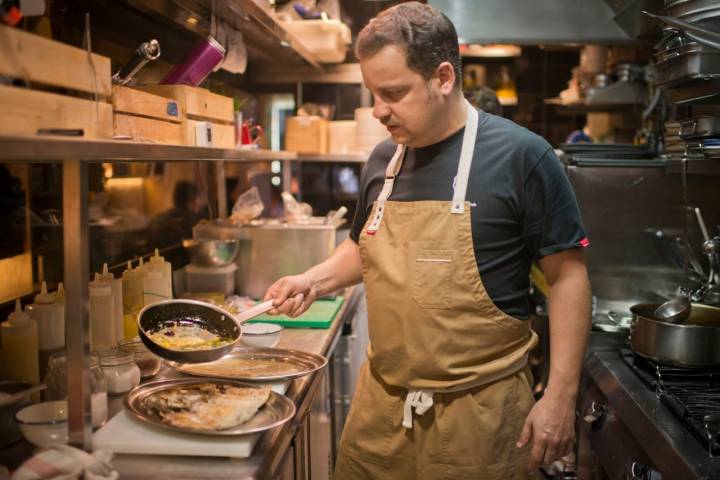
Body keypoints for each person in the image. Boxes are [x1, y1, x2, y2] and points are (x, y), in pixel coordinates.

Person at [263, 2, 591, 478]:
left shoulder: (524, 157)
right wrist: (313, 279)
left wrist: (561, 395)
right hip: (381, 413)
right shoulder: (382, 161)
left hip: (480, 421)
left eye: (393, 93)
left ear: (443, 77)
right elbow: (364, 245)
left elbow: (568, 278)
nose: (378, 111)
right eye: (373, 93)